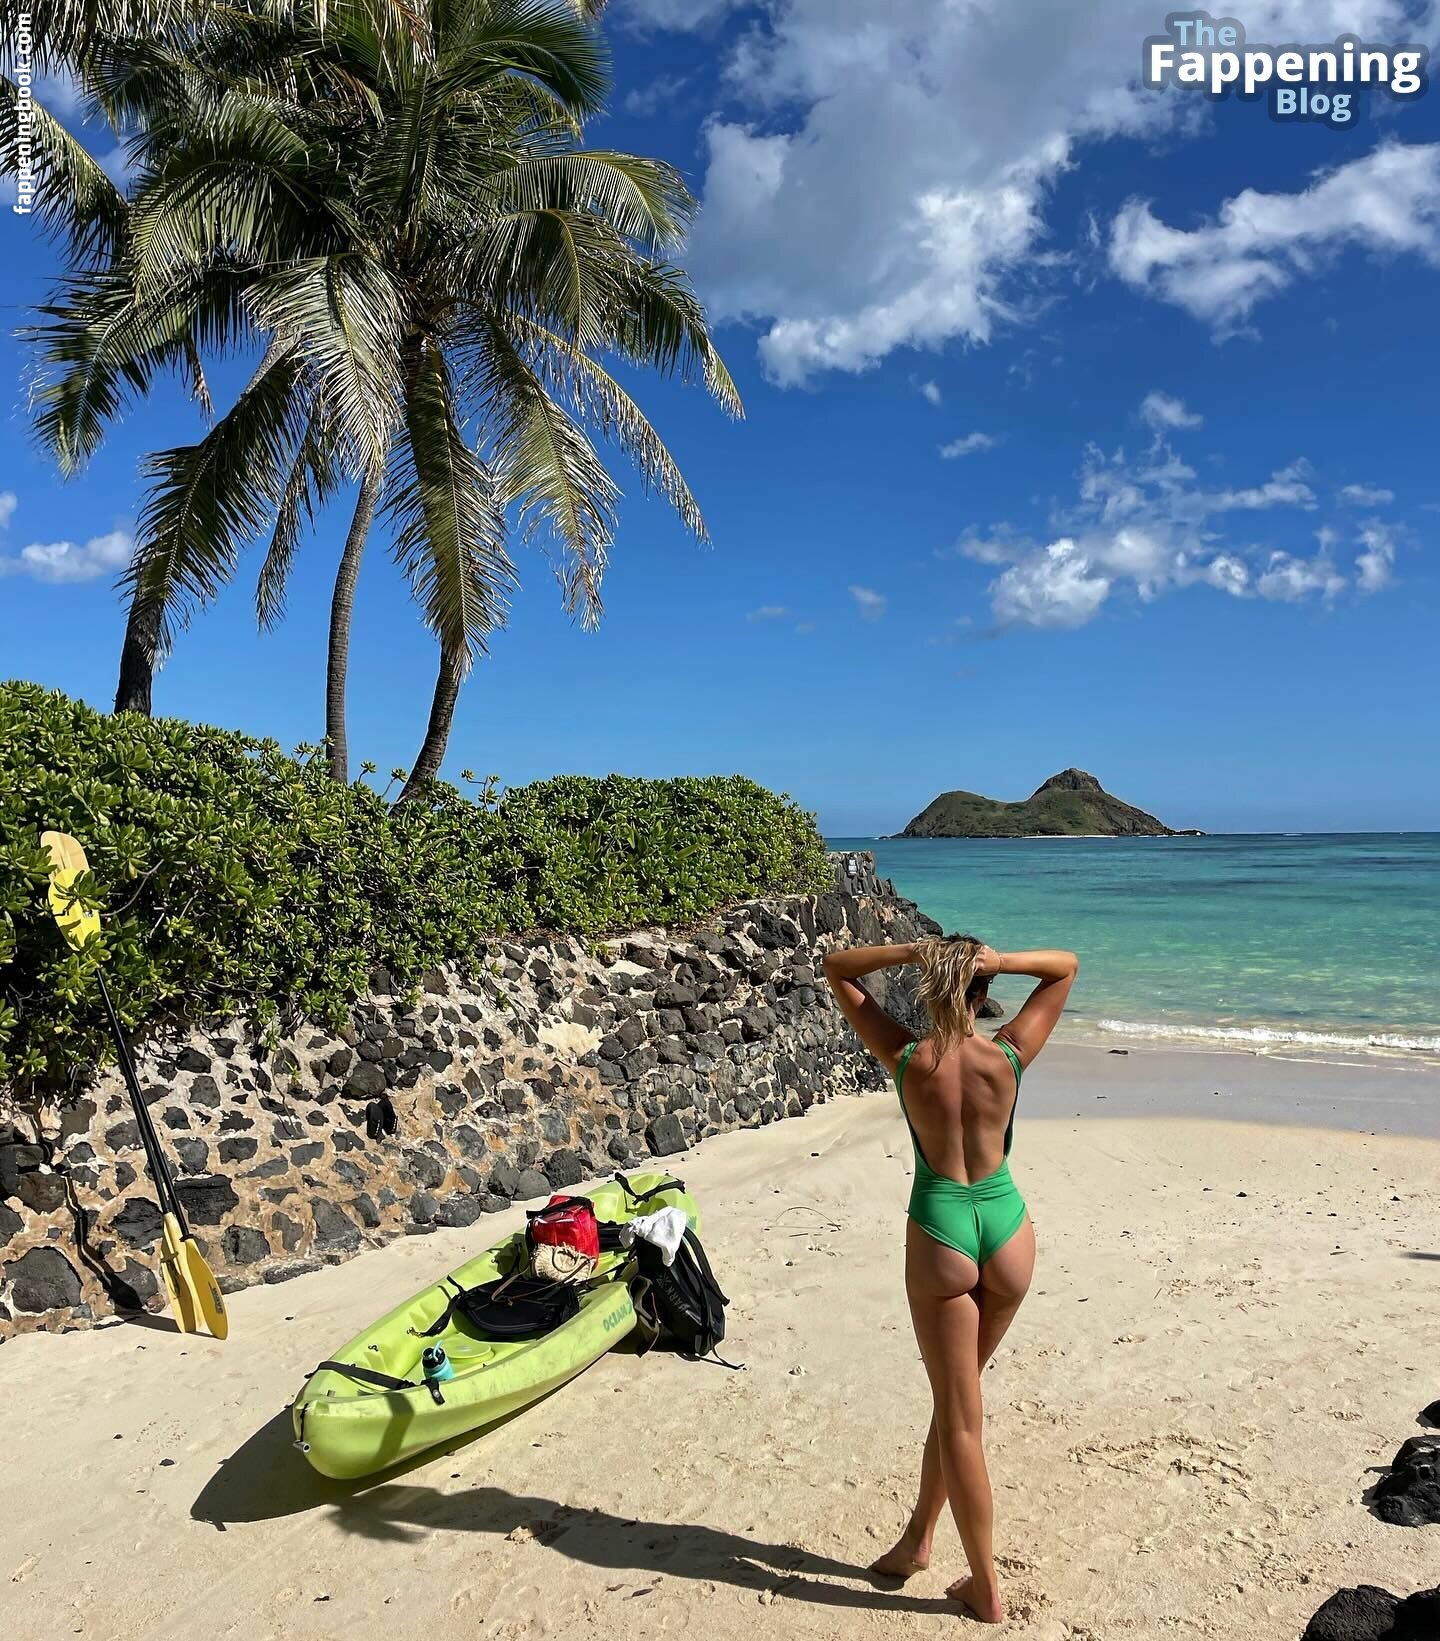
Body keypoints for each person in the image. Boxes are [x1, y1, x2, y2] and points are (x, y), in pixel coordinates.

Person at [822, 934, 1078, 1623]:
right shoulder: (1008, 1054)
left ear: (932, 987)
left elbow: (838, 968)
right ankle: (917, 1537)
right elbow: (1065, 969)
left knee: (961, 1418)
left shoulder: (907, 1057)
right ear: (982, 991)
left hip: (943, 1233)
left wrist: (913, 950)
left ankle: (985, 1586)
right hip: (1008, 1231)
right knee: (956, 1402)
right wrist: (1000, 962)